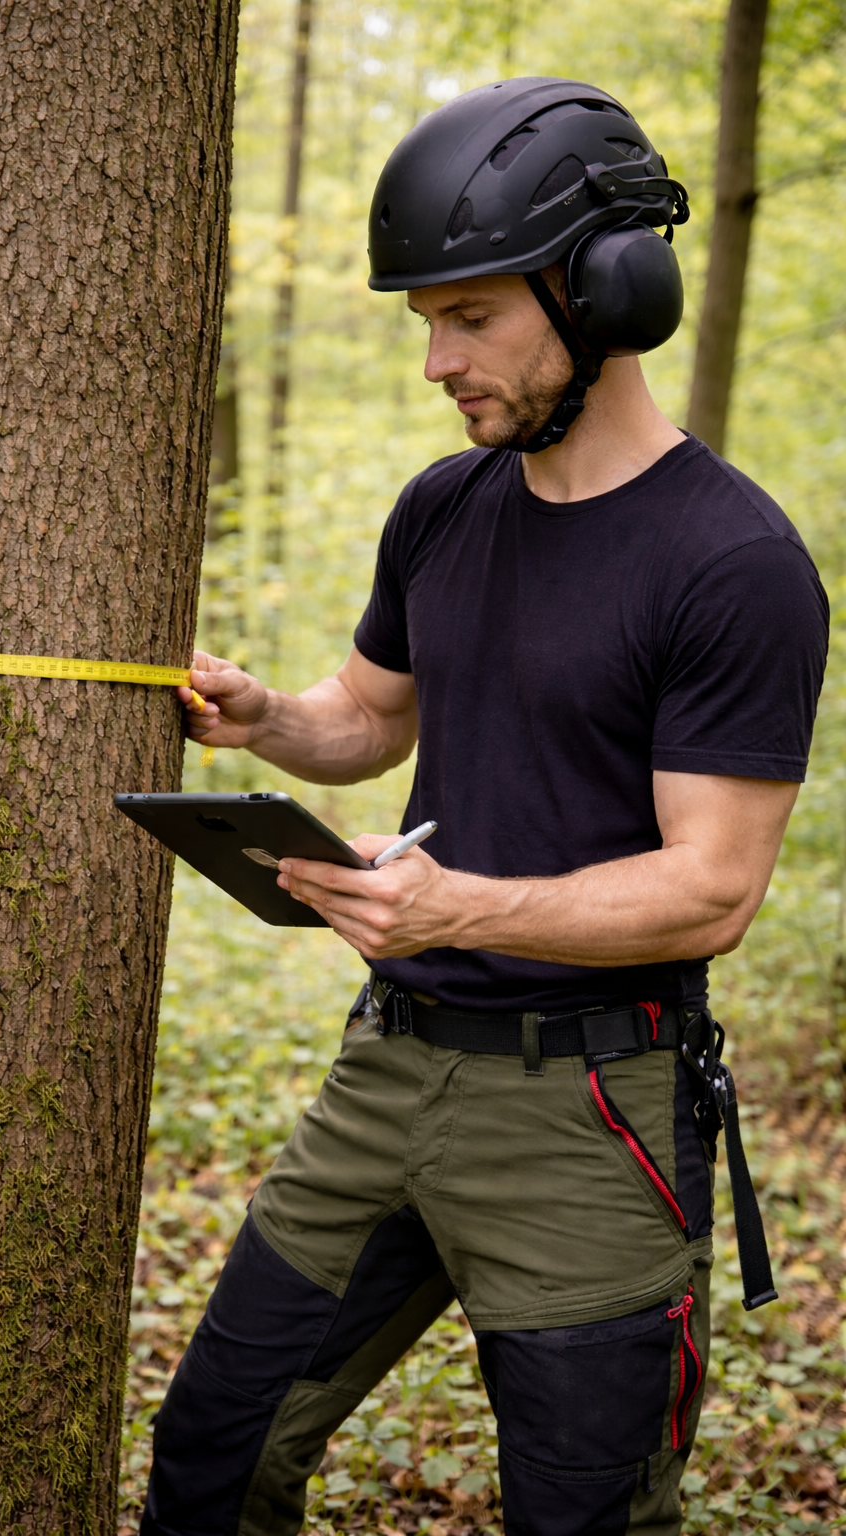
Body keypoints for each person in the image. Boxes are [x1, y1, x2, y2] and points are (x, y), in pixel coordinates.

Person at [140, 77, 828, 1536]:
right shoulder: (444, 509)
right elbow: (368, 721)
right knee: (215, 1454)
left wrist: (456, 905)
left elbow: (712, 887)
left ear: (605, 291)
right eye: (425, 324)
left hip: (594, 1115)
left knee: (582, 1519)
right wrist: (271, 720)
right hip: (388, 1080)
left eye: (472, 317)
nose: (439, 362)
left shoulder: (733, 563)